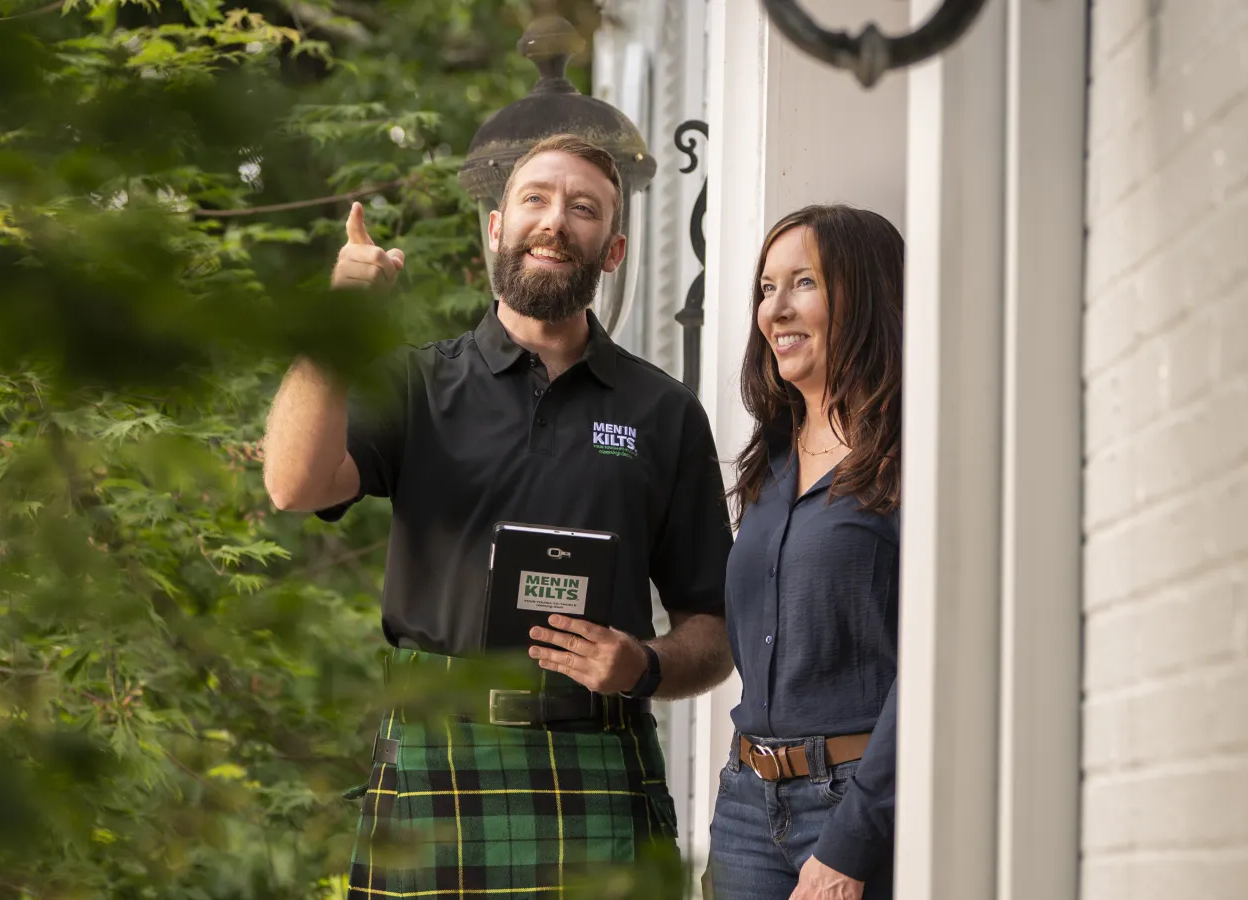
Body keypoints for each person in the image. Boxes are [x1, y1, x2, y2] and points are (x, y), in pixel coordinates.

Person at [261, 134, 734, 898]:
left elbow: (713, 630)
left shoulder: (665, 413)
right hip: (433, 762)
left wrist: (643, 665)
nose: (555, 221)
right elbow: (291, 484)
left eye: (583, 209)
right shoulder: (417, 384)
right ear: (496, 229)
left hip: (599, 762)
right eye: (535, 199)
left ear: (611, 252)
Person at [708, 205, 903, 900]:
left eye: (804, 284)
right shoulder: (770, 461)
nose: (776, 309)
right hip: (746, 806)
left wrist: (852, 843)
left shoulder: (909, 458)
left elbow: (935, 663)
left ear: (867, 295)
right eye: (766, 288)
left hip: (857, 804)